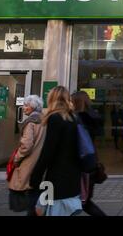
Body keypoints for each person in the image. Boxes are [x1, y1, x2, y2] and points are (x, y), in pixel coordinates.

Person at [30, 86, 82, 216]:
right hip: (73, 177)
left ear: (51, 99)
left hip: (56, 179)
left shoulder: (55, 119)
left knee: (42, 210)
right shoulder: (74, 118)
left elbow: (48, 151)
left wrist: (35, 177)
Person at [8, 95, 45, 216]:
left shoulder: (30, 122)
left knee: (30, 196)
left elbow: (26, 146)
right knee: (37, 193)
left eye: (26, 105)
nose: (23, 108)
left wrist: (16, 158)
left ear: (33, 107)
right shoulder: (44, 120)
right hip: (40, 162)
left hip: (29, 163)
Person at [72, 91, 106, 216]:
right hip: (91, 161)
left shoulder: (77, 119)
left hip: (81, 164)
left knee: (83, 202)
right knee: (84, 201)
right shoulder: (93, 117)